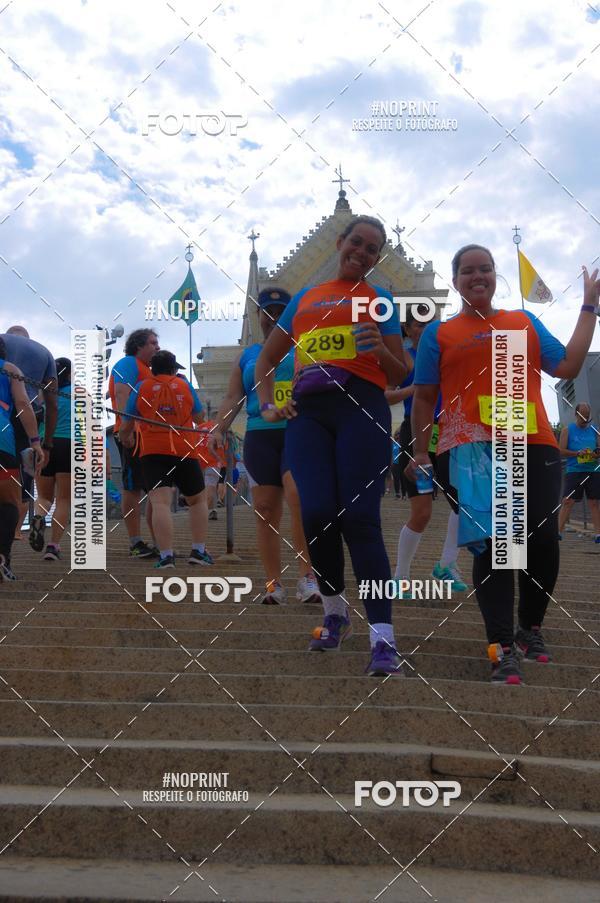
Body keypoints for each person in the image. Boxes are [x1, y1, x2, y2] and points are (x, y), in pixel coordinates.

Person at [410, 244, 600, 685]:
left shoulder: (522, 322)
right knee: (500, 545)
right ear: (455, 281)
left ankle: (530, 627)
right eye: (468, 271)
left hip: (533, 443)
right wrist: (420, 452)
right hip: (470, 450)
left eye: (486, 269)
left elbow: (568, 364)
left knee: (541, 538)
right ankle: (502, 646)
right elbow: (423, 398)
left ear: (496, 276)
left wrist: (589, 305)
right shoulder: (439, 334)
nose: (478, 276)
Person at [255, 215, 410, 673]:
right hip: (309, 414)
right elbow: (267, 358)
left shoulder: (380, 300)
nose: (361, 252)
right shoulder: (305, 298)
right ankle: (335, 613)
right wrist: (267, 405)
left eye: (372, 249)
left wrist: (379, 350)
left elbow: (401, 372)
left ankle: (383, 636)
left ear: (377, 258)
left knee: (360, 518)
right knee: (317, 513)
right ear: (340, 242)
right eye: (356, 243)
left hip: (362, 407)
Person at [211, 288, 320, 605]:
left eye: (281, 311)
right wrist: (219, 428)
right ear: (258, 315)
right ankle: (274, 583)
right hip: (260, 436)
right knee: (265, 509)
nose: (273, 317)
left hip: (298, 431)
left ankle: (308, 576)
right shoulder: (247, 356)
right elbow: (233, 396)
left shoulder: (306, 346)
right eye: (267, 311)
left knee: (298, 497)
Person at [385, 306, 467, 600]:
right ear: (408, 329)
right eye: (417, 324)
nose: (424, 329)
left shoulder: (446, 355)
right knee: (422, 512)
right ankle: (400, 577)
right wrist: (418, 390)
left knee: (463, 503)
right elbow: (386, 394)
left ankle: (447, 564)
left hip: (448, 431)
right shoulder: (405, 358)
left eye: (429, 323)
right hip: (417, 432)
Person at [119, 350, 212, 570]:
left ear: (152, 369)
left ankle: (166, 556)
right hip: (184, 449)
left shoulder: (141, 387)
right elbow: (199, 418)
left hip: (152, 451)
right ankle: (198, 551)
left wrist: (126, 438)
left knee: (160, 503)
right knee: (197, 501)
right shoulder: (184, 385)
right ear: (173, 369)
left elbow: (127, 422)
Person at [1, 326, 58, 536]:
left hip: (3, 412)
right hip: (26, 415)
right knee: (24, 472)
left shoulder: (2, 341)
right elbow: (52, 404)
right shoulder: (44, 352)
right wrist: (45, 443)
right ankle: (15, 530)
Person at [108, 329, 158, 557]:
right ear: (139, 346)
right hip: (133, 434)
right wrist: (126, 430)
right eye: (153, 343)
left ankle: (158, 541)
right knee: (132, 487)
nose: (157, 347)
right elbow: (121, 394)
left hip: (147, 435)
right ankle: (136, 542)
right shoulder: (129, 363)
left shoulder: (145, 369)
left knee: (154, 487)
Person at [0, 337, 44, 580]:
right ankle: (3, 559)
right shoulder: (9, 369)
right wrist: (35, 441)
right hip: (2, 439)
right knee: (8, 502)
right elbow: (22, 403)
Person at [30, 358, 72, 560]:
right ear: (70, 373)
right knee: (64, 499)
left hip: (44, 444)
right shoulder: (80, 394)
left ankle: (39, 516)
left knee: (44, 497)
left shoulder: (41, 393)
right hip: (69, 445)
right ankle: (53, 546)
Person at [558, 402, 600, 541]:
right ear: (576, 414)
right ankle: (558, 532)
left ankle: (598, 534)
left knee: (594, 502)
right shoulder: (567, 430)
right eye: (583, 416)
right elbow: (561, 450)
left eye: (587, 416)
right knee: (568, 501)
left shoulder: (595, 430)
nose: (585, 420)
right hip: (574, 470)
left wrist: (596, 454)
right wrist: (577, 453)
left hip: (593, 470)